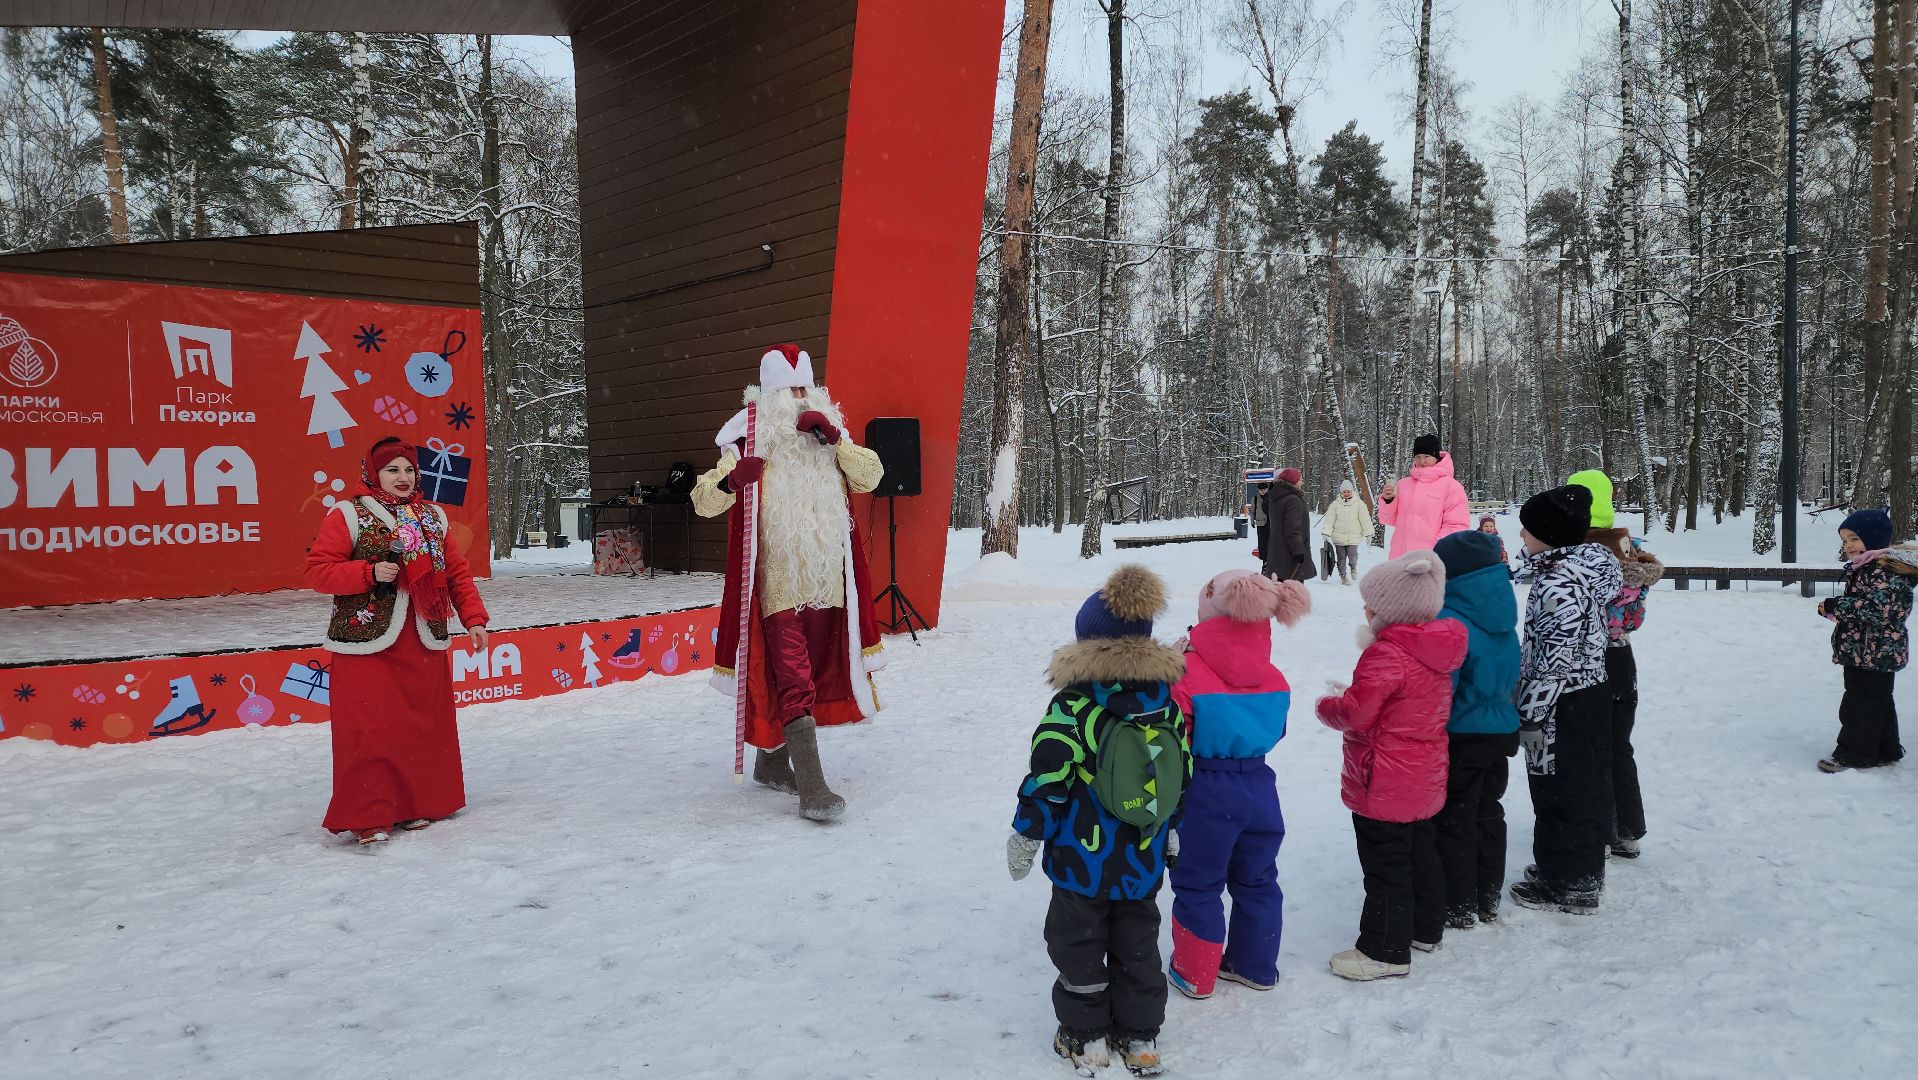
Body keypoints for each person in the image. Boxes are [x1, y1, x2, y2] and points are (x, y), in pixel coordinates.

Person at [691, 343, 887, 821]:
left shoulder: (829, 433)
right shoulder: (748, 436)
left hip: (829, 580)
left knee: (818, 671)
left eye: (806, 387)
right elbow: (703, 501)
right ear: (771, 393)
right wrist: (734, 479)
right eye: (791, 389)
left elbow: (872, 476)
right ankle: (813, 787)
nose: (801, 396)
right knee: (793, 674)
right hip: (778, 579)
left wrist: (836, 439)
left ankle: (773, 759)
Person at [1008, 566, 1189, 1077]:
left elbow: (1049, 773)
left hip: (1081, 859)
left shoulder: (1074, 705)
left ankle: (1085, 1037)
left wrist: (1027, 830)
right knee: (1138, 942)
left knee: (1078, 943)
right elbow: (1180, 771)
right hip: (1142, 853)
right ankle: (1140, 1036)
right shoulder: (1165, 705)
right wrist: (1172, 825)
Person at [305, 436, 489, 846]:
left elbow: (457, 575)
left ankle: (413, 805)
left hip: (423, 638)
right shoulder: (349, 515)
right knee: (369, 730)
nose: (403, 478)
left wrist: (473, 619)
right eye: (393, 470)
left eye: (409, 469)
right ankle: (369, 815)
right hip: (367, 641)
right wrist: (368, 574)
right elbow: (318, 572)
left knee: (419, 728)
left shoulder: (433, 517)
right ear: (374, 473)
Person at [1315, 551, 1466, 980]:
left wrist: (1329, 705)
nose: (1366, 609)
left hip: (1383, 777)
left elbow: (1356, 713)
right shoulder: (1434, 650)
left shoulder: (1387, 654)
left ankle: (1385, 948)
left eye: (1372, 604)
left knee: (1385, 863)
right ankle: (1424, 926)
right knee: (1421, 850)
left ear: (1390, 612)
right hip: (1423, 772)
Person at [1166, 570, 1310, 1001]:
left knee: (1198, 880)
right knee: (1258, 878)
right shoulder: (1274, 676)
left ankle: (1196, 971)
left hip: (1206, 788)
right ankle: (1256, 964)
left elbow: (1176, 733)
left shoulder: (1185, 670)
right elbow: (1278, 730)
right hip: (1259, 786)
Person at [1509, 485, 1623, 915]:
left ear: (1550, 535)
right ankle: (1569, 868)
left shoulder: (1558, 584)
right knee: (1581, 783)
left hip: (1563, 699)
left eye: (1529, 527)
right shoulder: (1579, 570)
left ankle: (1572, 881)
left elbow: (1554, 657)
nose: (1521, 534)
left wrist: (1532, 713)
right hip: (1588, 693)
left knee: (1558, 788)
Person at [1567, 470, 1664, 858]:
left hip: (1585, 658)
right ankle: (1627, 828)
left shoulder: (1577, 553)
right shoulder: (1631, 548)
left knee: (1586, 745)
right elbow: (1634, 616)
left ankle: (1598, 826)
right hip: (1622, 654)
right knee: (1618, 744)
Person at [1430, 531, 1521, 930]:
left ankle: (1459, 901)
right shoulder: (1502, 614)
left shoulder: (1451, 619)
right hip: (1499, 728)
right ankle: (1487, 895)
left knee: (1456, 817)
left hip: (1461, 730)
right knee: (1488, 812)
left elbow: (1443, 684)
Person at [1816, 509, 1915, 773]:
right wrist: (1836, 611)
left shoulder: (1885, 571)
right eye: (1845, 540)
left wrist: (1837, 605)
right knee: (1876, 699)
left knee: (1860, 703)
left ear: (1873, 539)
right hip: (1865, 649)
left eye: (1854, 539)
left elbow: (1879, 609)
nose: (1848, 545)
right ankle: (1885, 748)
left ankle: (1854, 754)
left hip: (1876, 650)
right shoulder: (1868, 568)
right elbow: (1867, 609)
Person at [1378, 434, 1471, 557]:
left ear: (1436, 457)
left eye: (1426, 456)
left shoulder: (1452, 487)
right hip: (1400, 557)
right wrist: (1388, 500)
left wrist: (1437, 549)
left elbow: (1457, 525)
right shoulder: (1402, 484)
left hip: (1432, 559)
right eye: (1417, 457)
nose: (1422, 461)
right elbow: (1388, 519)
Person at [1260, 467, 1315, 582]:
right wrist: (1299, 552)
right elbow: (1292, 530)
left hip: (1278, 554)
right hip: (1290, 556)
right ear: (1293, 481)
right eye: (1300, 479)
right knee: (1293, 595)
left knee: (1280, 592)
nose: (1302, 482)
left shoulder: (1277, 497)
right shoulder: (1293, 500)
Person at [1322, 481, 1374, 586]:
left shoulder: (1359, 504)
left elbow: (1365, 519)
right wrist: (1326, 533)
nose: (1346, 493)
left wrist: (1369, 534)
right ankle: (1343, 576)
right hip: (1338, 536)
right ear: (1341, 492)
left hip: (1354, 535)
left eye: (1348, 491)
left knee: (1352, 555)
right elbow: (1329, 520)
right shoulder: (1335, 504)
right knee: (1341, 558)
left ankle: (1353, 567)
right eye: (1344, 492)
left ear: (1352, 491)